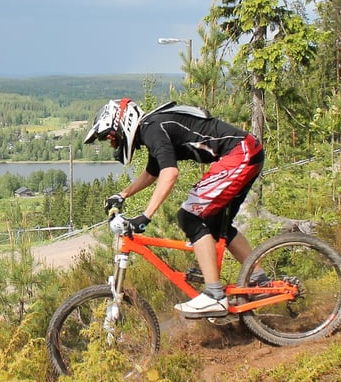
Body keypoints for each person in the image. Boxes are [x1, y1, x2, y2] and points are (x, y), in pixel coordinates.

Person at [84, 98, 267, 318]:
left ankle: (214, 296)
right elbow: (153, 172)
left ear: (123, 123)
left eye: (112, 138)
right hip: (247, 152)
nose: (114, 144)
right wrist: (122, 194)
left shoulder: (152, 128)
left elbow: (169, 173)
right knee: (218, 226)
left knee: (189, 217)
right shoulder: (152, 127)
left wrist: (145, 216)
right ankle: (259, 279)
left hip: (239, 154)